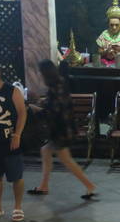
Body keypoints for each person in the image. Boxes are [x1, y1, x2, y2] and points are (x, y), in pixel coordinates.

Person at [26, 60, 96, 199]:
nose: (39, 75)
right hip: (63, 129)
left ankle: (89, 185)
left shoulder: (56, 87)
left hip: (61, 131)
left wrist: (36, 110)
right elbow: (57, 105)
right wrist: (44, 103)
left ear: (45, 73)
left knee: (66, 160)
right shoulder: (59, 84)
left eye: (40, 72)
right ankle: (44, 186)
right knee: (46, 151)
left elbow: (54, 111)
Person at [0, 61, 26, 222]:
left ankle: (18, 207)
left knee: (16, 176)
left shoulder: (12, 91)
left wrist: (17, 135)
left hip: (10, 139)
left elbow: (22, 113)